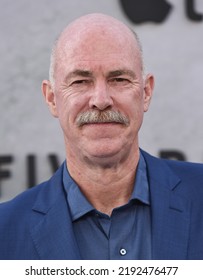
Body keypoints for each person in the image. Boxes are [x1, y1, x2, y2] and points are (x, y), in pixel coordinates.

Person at [0, 13, 203, 260]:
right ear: (52, 98)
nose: (101, 100)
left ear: (146, 92)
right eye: (80, 81)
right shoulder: (6, 233)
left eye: (118, 79)